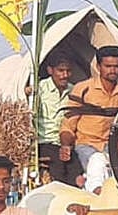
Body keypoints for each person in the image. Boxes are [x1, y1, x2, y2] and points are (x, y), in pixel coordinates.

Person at [60, 45, 118, 173]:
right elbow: (68, 126)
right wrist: (66, 146)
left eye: (116, 67)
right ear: (98, 67)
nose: (112, 70)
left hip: (111, 146)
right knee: (97, 165)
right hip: (86, 144)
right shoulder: (83, 89)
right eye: (108, 66)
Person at [29, 53, 82, 186]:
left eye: (68, 71)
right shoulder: (39, 89)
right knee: (58, 165)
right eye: (60, 71)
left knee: (77, 168)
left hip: (66, 143)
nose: (65, 75)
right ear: (50, 70)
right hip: (44, 142)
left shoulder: (74, 91)